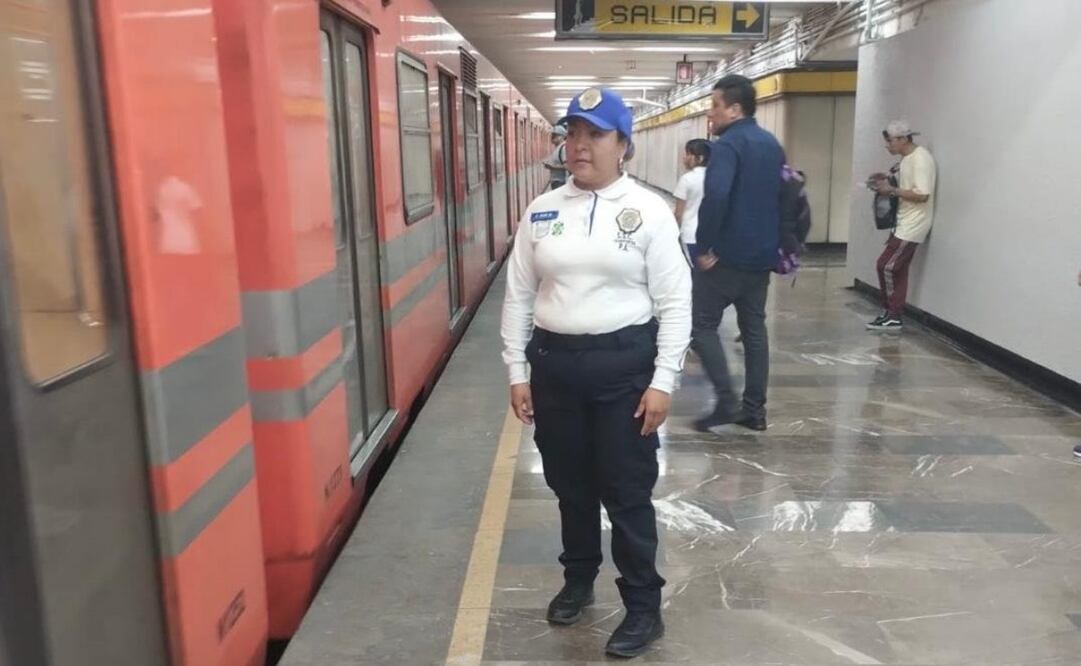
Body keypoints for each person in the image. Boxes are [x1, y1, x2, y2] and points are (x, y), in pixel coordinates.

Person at [501, 86, 691, 658]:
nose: (579, 146)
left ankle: (642, 607)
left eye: (594, 135)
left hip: (624, 368)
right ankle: (578, 579)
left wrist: (664, 381)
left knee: (626, 490)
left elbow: (676, 301)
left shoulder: (649, 212)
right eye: (573, 134)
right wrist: (517, 368)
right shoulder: (542, 210)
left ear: (623, 145)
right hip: (555, 366)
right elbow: (518, 295)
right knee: (569, 485)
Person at [691, 74, 785, 433]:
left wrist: (703, 246)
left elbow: (716, 195)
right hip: (761, 256)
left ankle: (727, 403)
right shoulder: (771, 144)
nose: (710, 114)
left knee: (701, 326)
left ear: (734, 108)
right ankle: (754, 410)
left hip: (726, 258)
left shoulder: (728, 145)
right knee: (754, 332)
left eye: (714, 106)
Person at [867, 120, 936, 331]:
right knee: (899, 269)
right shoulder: (906, 159)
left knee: (886, 265)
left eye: (890, 141)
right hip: (902, 221)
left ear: (903, 139)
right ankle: (892, 313)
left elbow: (922, 195)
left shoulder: (921, 159)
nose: (887, 146)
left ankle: (892, 313)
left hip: (913, 224)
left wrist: (892, 191)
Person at [672, 138, 710, 264]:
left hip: (689, 235)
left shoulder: (687, 179)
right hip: (710, 236)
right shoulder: (715, 177)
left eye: (688, 154)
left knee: (690, 271)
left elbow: (678, 214)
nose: (685, 157)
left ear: (700, 158)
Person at [542, 125, 568, 190]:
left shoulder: (563, 148)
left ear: (562, 136)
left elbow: (567, 166)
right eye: (552, 135)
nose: (552, 137)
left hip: (561, 182)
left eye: (555, 135)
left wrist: (552, 167)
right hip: (556, 181)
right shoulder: (557, 147)